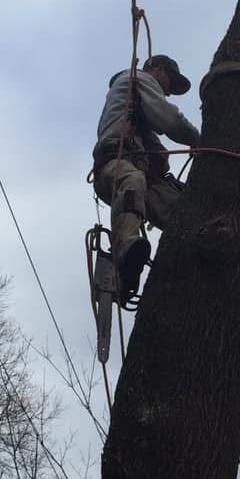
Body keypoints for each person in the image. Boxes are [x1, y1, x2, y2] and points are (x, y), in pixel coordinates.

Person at [92, 54, 201, 303]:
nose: (169, 91)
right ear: (158, 70)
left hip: (141, 172)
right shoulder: (138, 79)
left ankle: (181, 269)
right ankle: (126, 250)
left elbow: (149, 133)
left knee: (182, 212)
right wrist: (197, 139)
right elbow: (169, 118)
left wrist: (158, 155)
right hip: (117, 164)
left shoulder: (134, 106)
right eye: (170, 82)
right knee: (132, 181)